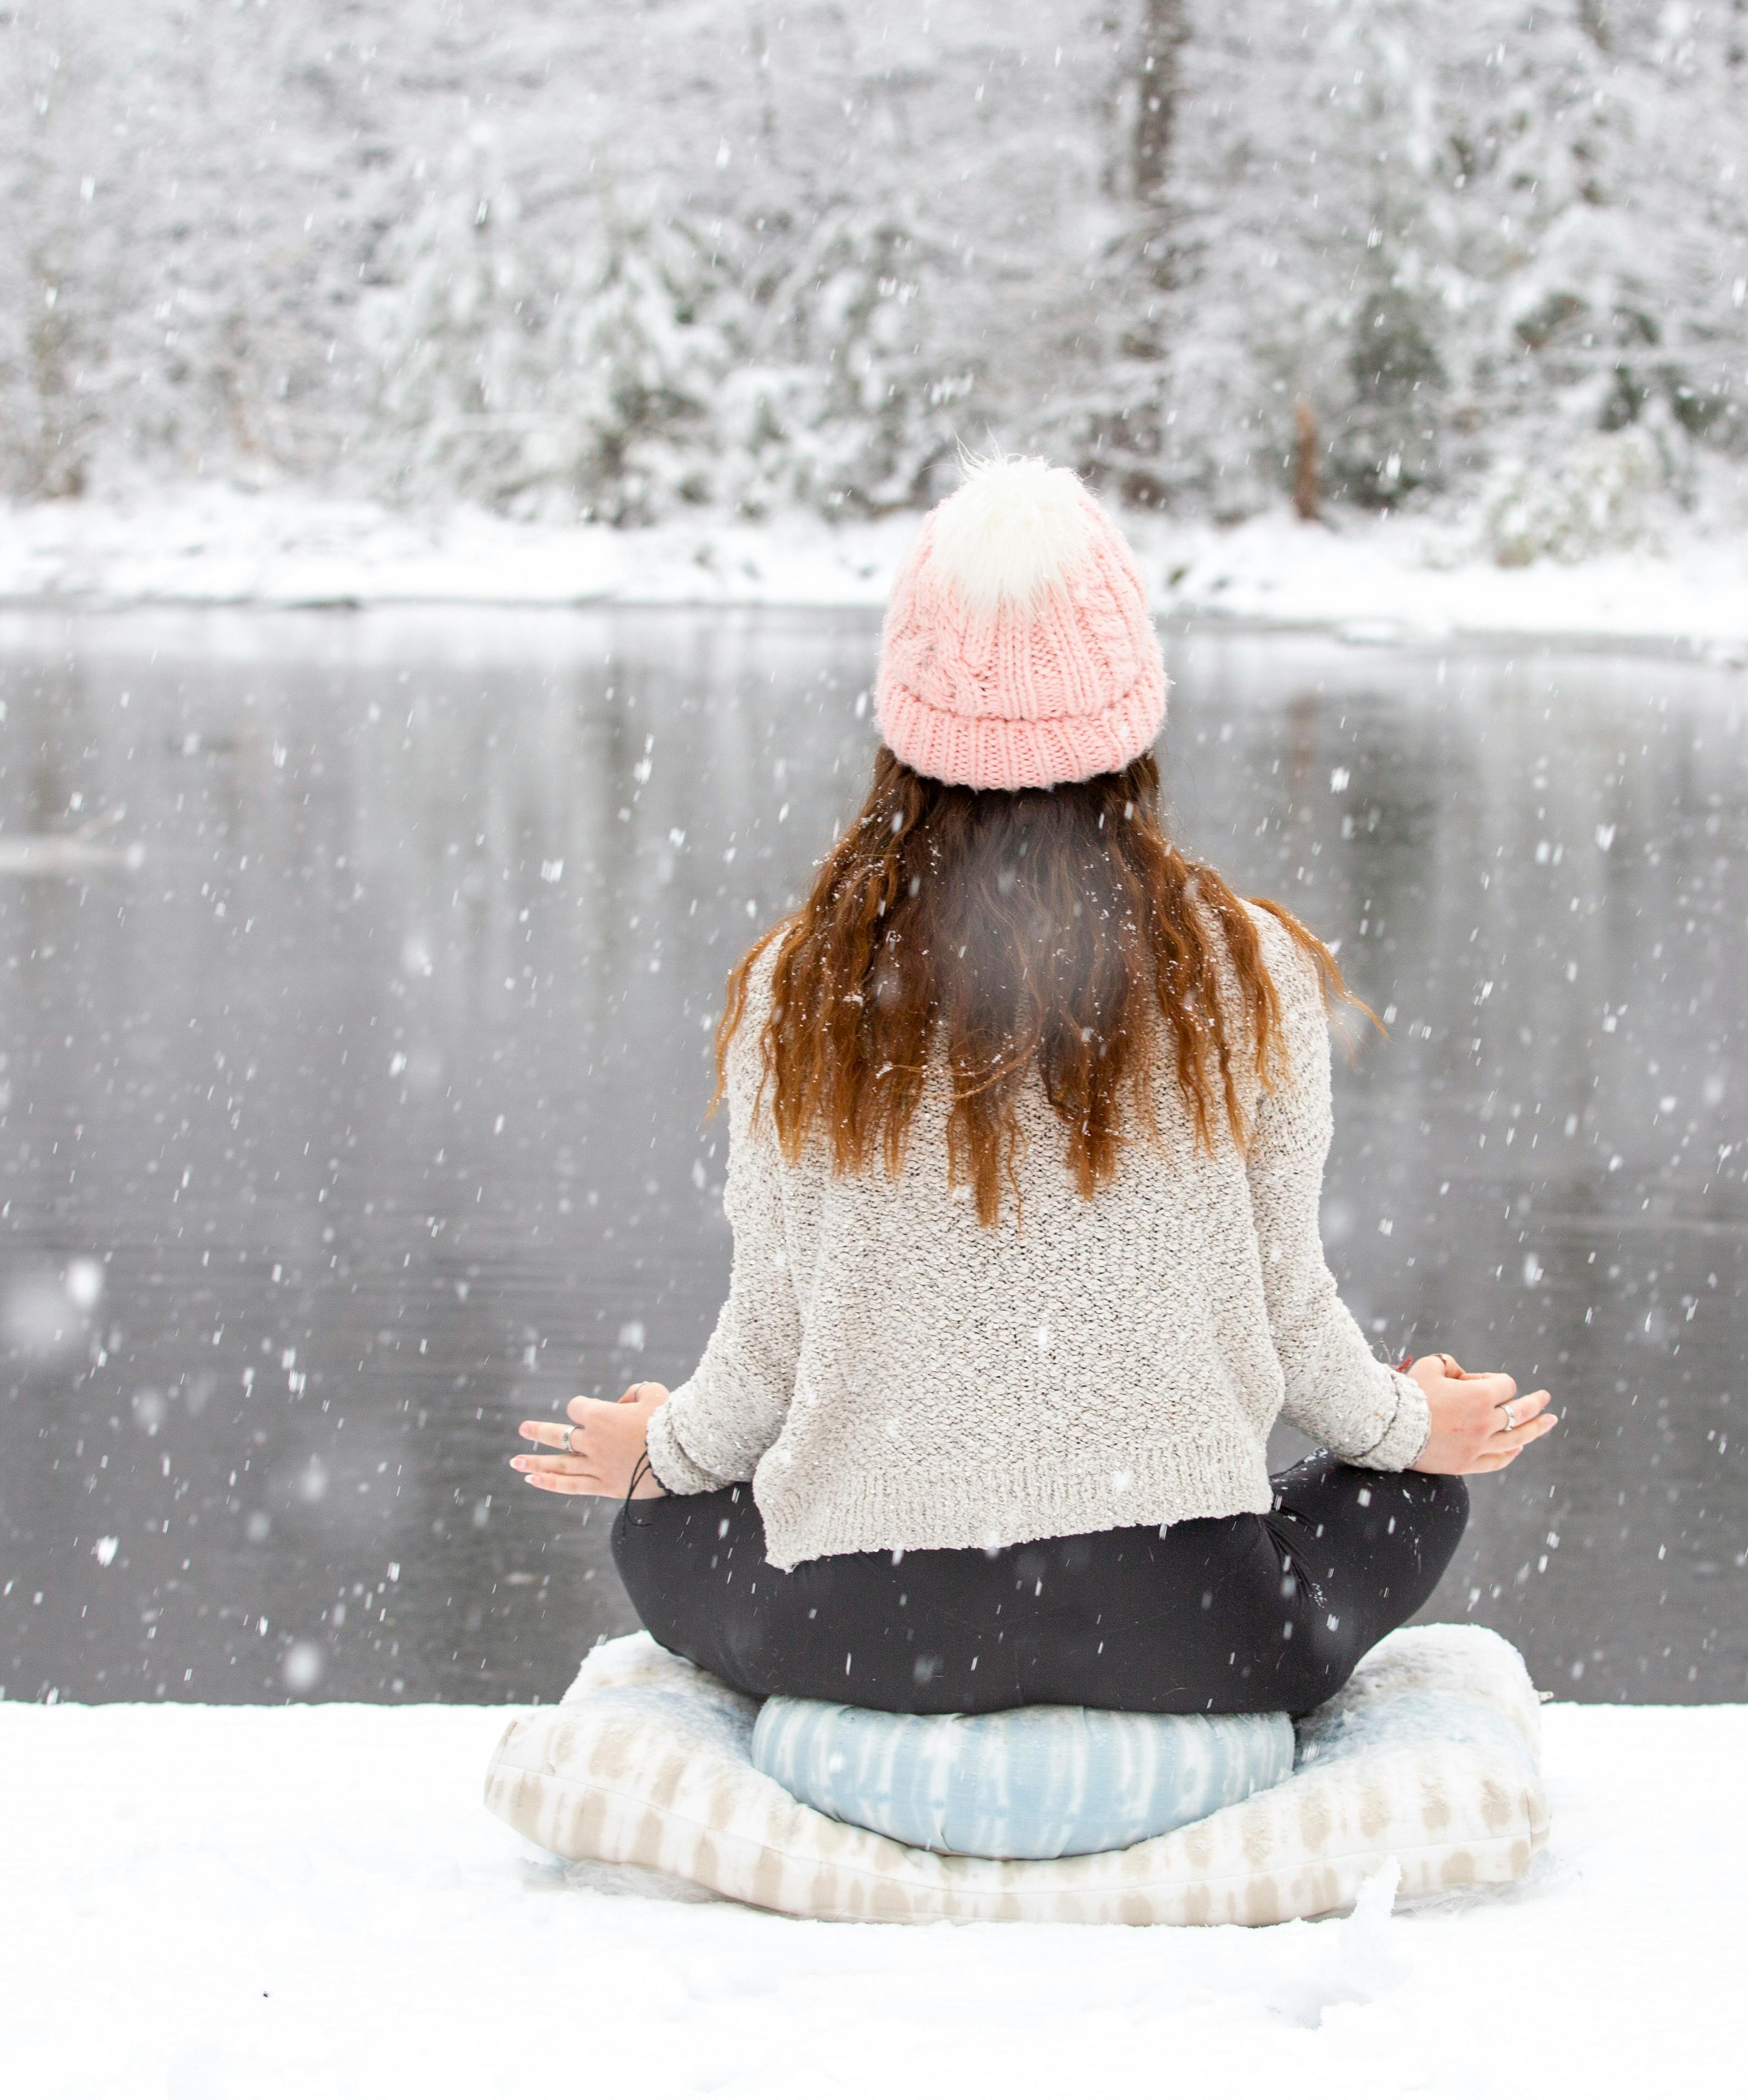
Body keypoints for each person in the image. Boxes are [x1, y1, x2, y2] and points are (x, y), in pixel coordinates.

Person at [511, 457, 1553, 1716]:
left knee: (655, 1532)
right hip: (1196, 1637)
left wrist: (662, 1456)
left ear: (908, 717)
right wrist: (1411, 1429)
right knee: (1411, 1492)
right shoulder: (1250, 968)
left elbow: (768, 1347)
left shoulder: (800, 985)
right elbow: (1291, 1313)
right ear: (1132, 713)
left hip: (864, 1635)